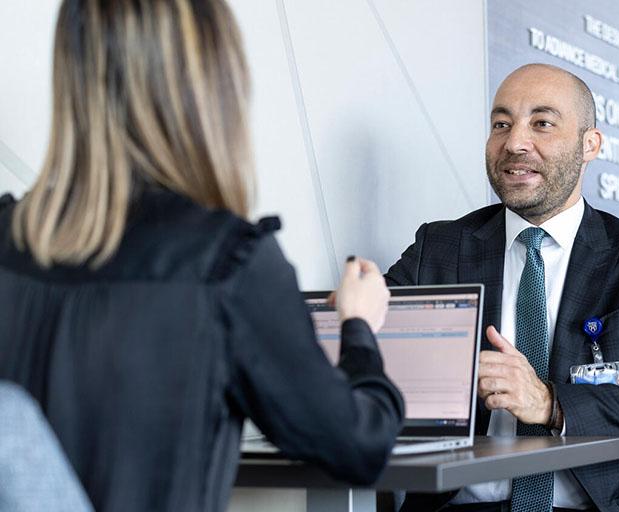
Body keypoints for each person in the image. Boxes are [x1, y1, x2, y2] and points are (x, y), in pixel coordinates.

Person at [0, 1, 403, 511]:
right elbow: (358, 446)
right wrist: (359, 327)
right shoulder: (227, 263)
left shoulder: (6, 237)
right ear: (212, 88)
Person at [386, 63, 619, 512]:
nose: (515, 142)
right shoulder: (439, 249)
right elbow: (364, 362)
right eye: (501, 124)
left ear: (590, 145)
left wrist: (551, 404)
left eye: (541, 123)